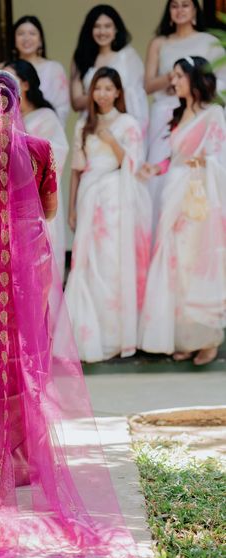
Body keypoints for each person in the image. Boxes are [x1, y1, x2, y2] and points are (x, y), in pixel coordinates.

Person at [0, 70, 138, 558]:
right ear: (18, 103)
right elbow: (49, 210)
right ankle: (24, 461)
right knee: (27, 364)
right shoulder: (38, 150)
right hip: (29, 278)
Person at [139, 56, 226, 366]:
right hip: (173, 194)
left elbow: (218, 157)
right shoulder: (176, 115)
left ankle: (208, 339)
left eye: (178, 76)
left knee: (197, 266)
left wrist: (205, 164)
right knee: (174, 266)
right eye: (172, 76)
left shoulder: (214, 114)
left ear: (195, 78)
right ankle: (184, 339)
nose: (172, 81)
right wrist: (156, 167)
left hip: (199, 199)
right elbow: (175, 158)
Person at [65, 67, 151, 363]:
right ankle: (89, 333)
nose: (102, 93)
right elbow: (76, 170)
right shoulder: (83, 124)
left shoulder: (128, 123)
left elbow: (134, 163)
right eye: (97, 88)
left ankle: (116, 336)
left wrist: (111, 139)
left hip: (116, 198)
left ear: (117, 92)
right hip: (90, 195)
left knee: (112, 262)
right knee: (87, 263)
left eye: (107, 88)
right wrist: (72, 207)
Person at [145, 0, 226, 229]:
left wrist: (196, 88)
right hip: (166, 112)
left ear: (194, 11)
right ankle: (162, 233)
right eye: (174, 6)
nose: (179, 10)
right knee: (162, 172)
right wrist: (174, 76)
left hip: (199, 111)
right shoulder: (160, 42)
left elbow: (222, 79)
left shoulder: (209, 41)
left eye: (185, 5)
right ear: (169, 12)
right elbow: (148, 84)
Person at [4, 59, 69, 279]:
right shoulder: (1, 119)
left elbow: (56, 155)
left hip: (37, 205)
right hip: (7, 204)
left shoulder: (46, 118)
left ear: (26, 84)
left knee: (38, 274)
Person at [71, 5, 148, 135]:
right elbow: (77, 102)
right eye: (97, 26)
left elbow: (137, 98)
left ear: (116, 29)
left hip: (122, 128)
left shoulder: (128, 57)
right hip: (91, 126)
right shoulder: (80, 58)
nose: (102, 31)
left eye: (107, 26)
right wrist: (105, 94)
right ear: (90, 29)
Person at [11, 15, 70, 125]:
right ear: (14, 40)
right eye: (21, 34)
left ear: (40, 40)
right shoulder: (4, 69)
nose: (26, 38)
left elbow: (62, 108)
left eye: (32, 33)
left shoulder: (54, 68)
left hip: (46, 132)